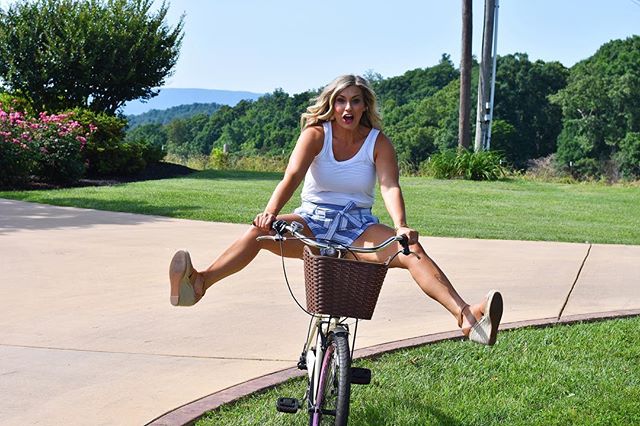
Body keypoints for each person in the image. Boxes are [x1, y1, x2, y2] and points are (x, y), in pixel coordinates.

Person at [169, 74, 503, 345]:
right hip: (311, 223)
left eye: (355, 101)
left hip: (359, 228)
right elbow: (293, 176)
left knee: (409, 248)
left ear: (364, 106)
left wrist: (401, 225)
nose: (348, 107)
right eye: (341, 100)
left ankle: (466, 317)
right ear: (331, 104)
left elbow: (389, 186)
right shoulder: (316, 134)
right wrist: (270, 212)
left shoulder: (378, 142)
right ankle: (199, 283)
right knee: (258, 233)